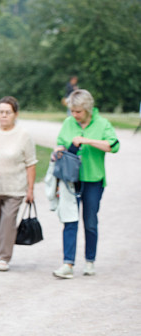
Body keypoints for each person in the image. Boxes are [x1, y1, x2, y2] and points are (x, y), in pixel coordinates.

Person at [52, 89, 120, 279]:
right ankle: (68, 264)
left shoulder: (102, 123)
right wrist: (59, 150)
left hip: (93, 180)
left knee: (90, 222)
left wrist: (86, 141)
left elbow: (113, 146)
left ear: (88, 109)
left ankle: (90, 260)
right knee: (70, 220)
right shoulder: (68, 123)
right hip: (71, 180)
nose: (75, 115)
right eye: (72, 111)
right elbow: (60, 144)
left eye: (78, 111)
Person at [0, 96, 37, 272]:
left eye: (7, 112)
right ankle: (3, 250)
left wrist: (31, 189)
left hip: (15, 188)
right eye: (1, 112)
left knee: (8, 221)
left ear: (15, 114)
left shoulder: (23, 135)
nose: (3, 116)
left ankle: (4, 257)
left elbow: (31, 163)